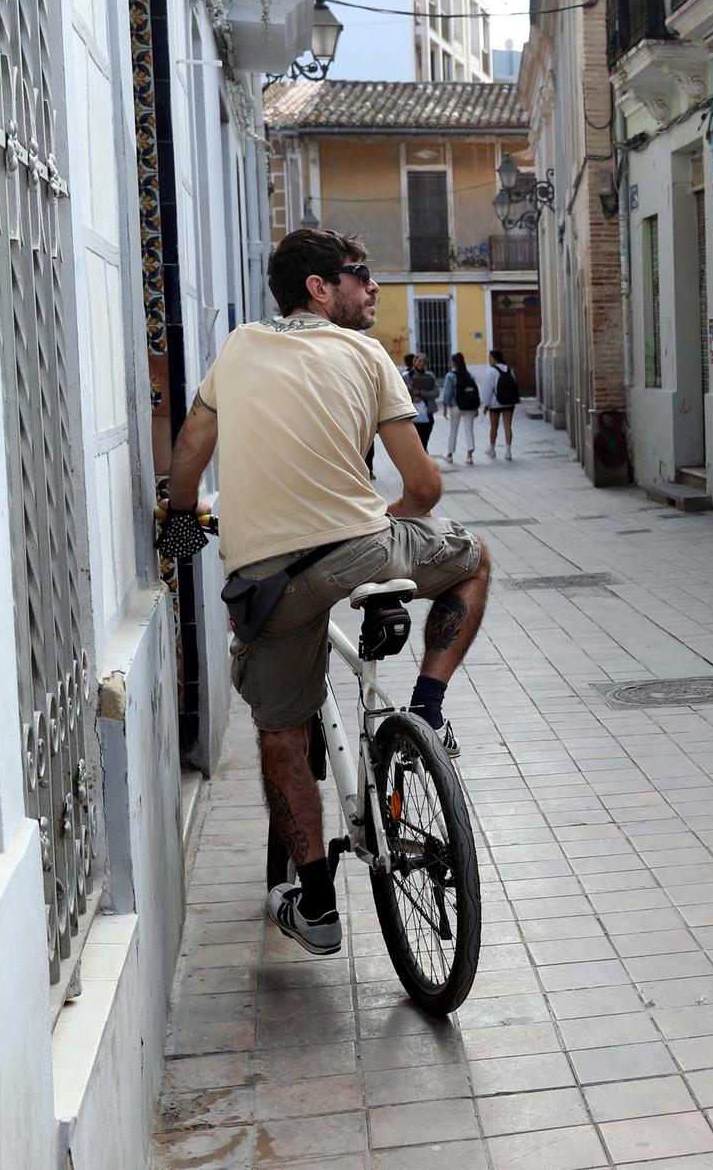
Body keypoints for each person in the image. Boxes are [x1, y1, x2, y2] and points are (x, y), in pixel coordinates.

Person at [161, 228, 493, 957]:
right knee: (473, 560)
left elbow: (188, 450)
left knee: (281, 733)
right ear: (319, 288)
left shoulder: (241, 346)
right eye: (360, 275)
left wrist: (181, 532)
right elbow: (426, 488)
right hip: (364, 551)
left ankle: (315, 904)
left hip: (272, 580)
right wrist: (378, 531)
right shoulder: (367, 355)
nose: (373, 287)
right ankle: (427, 710)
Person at [441, 351, 481, 464]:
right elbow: (474, 393)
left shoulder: (450, 376)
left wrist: (445, 408)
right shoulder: (469, 375)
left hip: (456, 406)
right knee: (469, 430)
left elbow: (447, 393)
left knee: (453, 430)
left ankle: (449, 454)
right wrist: (476, 408)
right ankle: (469, 456)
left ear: (453, 363)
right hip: (470, 407)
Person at [486, 348, 521, 460]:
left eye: (490, 357)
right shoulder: (509, 369)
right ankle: (508, 451)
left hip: (495, 403)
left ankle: (492, 449)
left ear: (494, 358)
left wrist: (486, 404)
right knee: (507, 426)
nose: (488, 359)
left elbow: (488, 390)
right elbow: (514, 383)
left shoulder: (490, 371)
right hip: (509, 402)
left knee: (494, 426)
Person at [403, 352, 439, 448]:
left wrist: (421, 393)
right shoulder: (407, 376)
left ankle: (423, 456)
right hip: (412, 412)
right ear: (415, 362)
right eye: (419, 361)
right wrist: (412, 394)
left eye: (424, 362)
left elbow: (436, 393)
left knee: (424, 440)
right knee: (414, 441)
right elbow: (401, 393)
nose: (421, 363)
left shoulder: (430, 376)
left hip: (427, 412)